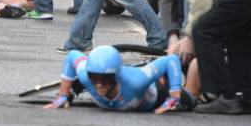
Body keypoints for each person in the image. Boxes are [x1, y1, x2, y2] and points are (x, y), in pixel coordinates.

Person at [43, 46, 195, 114]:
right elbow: (72, 55)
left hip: (158, 92)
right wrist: (63, 94)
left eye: (105, 79)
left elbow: (171, 60)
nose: (99, 84)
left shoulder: (138, 81)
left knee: (192, 100)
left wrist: (175, 95)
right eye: (94, 77)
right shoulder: (84, 75)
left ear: (116, 76)